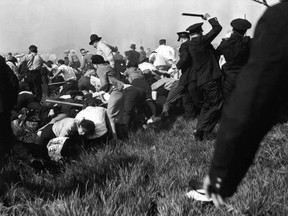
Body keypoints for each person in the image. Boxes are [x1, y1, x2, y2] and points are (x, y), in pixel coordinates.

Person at [203, 0, 288, 207]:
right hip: (242, 74)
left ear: (233, 29)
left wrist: (221, 173)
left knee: (232, 105)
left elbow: (248, 106)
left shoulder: (280, 18)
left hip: (231, 77)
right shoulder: (247, 42)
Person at [186, 13, 223, 141]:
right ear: (200, 32)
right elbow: (217, 28)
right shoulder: (200, 41)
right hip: (210, 79)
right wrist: (209, 18)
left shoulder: (192, 44)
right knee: (217, 104)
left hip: (202, 80)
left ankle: (200, 131)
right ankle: (203, 130)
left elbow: (211, 54)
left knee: (207, 105)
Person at [216, 18, 252, 102]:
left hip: (229, 76)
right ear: (245, 31)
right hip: (244, 75)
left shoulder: (224, 43)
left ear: (233, 29)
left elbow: (215, 54)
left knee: (228, 101)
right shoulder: (249, 42)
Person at [91, 55, 126, 140]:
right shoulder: (109, 66)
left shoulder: (100, 69)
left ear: (95, 64)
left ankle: (115, 139)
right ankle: (123, 137)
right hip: (121, 91)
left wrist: (98, 89)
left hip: (115, 92)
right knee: (118, 117)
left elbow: (104, 84)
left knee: (110, 116)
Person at [0, 55, 19, 164]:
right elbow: (14, 82)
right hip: (4, 106)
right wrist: (11, 103)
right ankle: (9, 157)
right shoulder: (4, 65)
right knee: (5, 132)